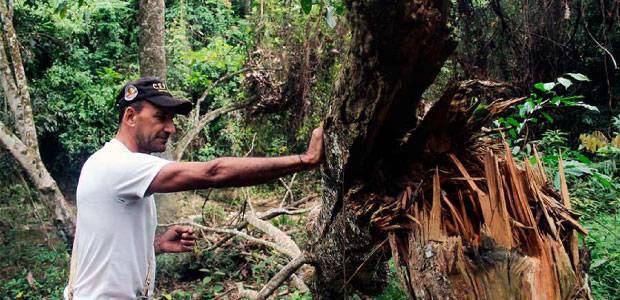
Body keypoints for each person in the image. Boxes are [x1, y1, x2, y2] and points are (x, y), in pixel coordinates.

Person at [64, 77, 324, 299]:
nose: (171, 128)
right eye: (161, 117)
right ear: (131, 116)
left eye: (171, 119)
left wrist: (155, 245)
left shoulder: (111, 162)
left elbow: (103, 248)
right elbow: (214, 173)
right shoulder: (118, 165)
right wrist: (305, 160)